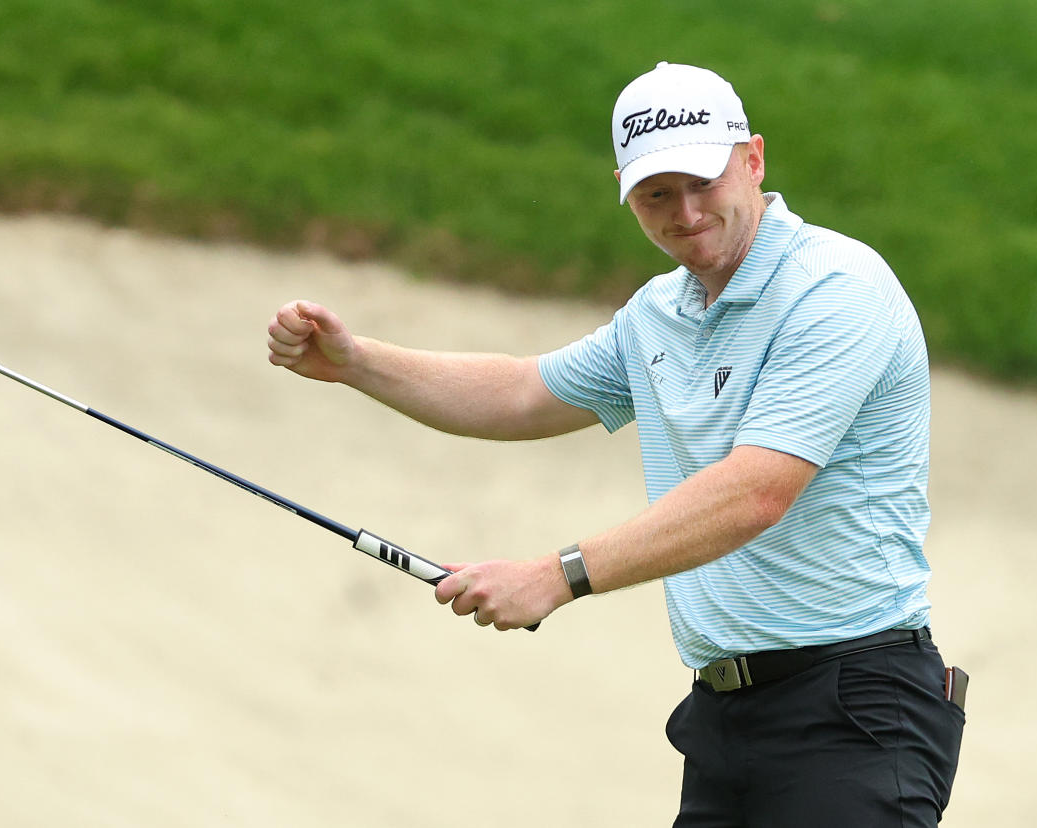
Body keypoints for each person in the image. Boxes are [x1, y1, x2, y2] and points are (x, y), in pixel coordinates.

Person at [266, 61, 964, 826]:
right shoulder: (659, 313)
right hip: (725, 721)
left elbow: (757, 492)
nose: (686, 212)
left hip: (854, 709)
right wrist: (359, 363)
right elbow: (525, 391)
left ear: (754, 159)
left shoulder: (836, 289)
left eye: (704, 182)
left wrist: (557, 576)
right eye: (657, 194)